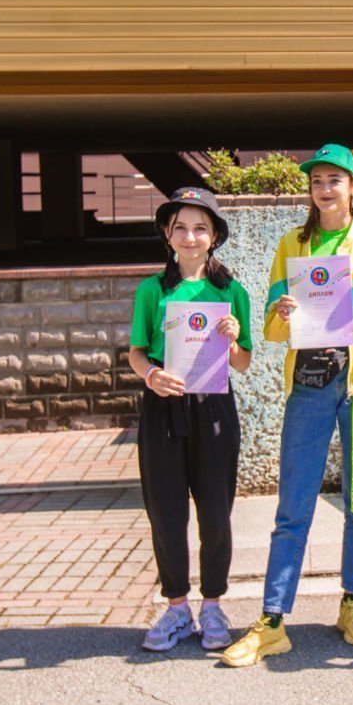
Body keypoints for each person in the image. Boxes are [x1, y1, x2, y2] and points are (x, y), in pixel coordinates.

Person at [222, 143, 353, 668]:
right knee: (293, 506)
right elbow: (272, 328)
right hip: (308, 386)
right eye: (317, 181)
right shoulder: (293, 243)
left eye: (334, 180)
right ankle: (273, 621)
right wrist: (282, 312)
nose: (325, 189)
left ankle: (351, 603)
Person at [128, 186, 253, 653]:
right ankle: (177, 607)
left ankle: (213, 605)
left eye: (200, 228)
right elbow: (137, 352)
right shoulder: (151, 290)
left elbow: (242, 363)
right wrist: (152, 375)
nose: (190, 236)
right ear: (167, 233)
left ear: (214, 235)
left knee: (216, 512)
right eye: (179, 227)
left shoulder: (231, 291)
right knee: (166, 511)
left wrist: (234, 339)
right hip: (164, 402)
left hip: (213, 405)